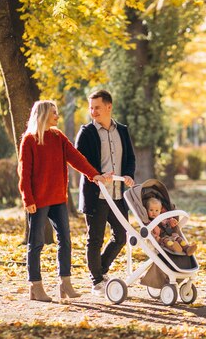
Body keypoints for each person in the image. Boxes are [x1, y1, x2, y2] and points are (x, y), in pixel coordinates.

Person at [18, 100, 106, 302]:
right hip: (38, 201)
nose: (57, 116)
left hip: (58, 199)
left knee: (65, 240)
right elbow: (24, 173)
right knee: (36, 242)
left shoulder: (58, 137)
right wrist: (28, 198)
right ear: (42, 115)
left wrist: (94, 175)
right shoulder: (30, 140)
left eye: (57, 112)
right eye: (54, 112)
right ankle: (35, 286)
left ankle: (65, 283)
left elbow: (76, 158)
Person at [75, 89, 136, 296]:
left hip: (117, 193)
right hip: (97, 194)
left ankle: (100, 271)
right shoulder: (87, 132)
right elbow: (80, 162)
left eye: (97, 107)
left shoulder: (123, 131)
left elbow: (130, 158)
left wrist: (128, 174)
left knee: (121, 236)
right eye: (91, 108)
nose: (93, 112)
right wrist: (98, 175)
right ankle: (97, 281)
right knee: (95, 239)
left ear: (109, 107)